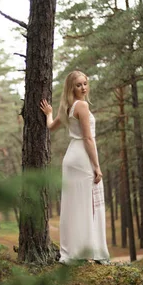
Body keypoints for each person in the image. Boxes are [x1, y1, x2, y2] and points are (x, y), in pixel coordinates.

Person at [40, 70, 110, 265]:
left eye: (85, 83)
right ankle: (92, 251)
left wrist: (49, 114)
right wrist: (96, 166)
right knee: (88, 205)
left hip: (71, 158)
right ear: (72, 88)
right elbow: (88, 138)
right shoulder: (82, 105)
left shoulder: (67, 107)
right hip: (82, 158)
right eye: (78, 85)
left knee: (74, 206)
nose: (83, 88)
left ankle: (74, 251)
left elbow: (50, 127)